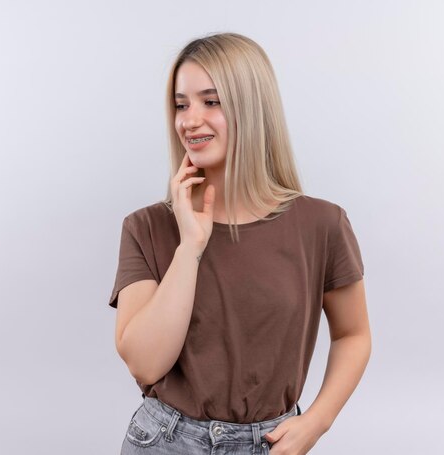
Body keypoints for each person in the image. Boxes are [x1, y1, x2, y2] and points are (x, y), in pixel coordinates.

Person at [108, 32, 371, 455]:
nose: (189, 120)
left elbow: (353, 334)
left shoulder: (322, 224)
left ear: (252, 107)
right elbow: (146, 363)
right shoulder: (147, 227)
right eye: (181, 104)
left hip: (272, 443)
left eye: (211, 101)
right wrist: (190, 247)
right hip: (166, 442)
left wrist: (316, 422)